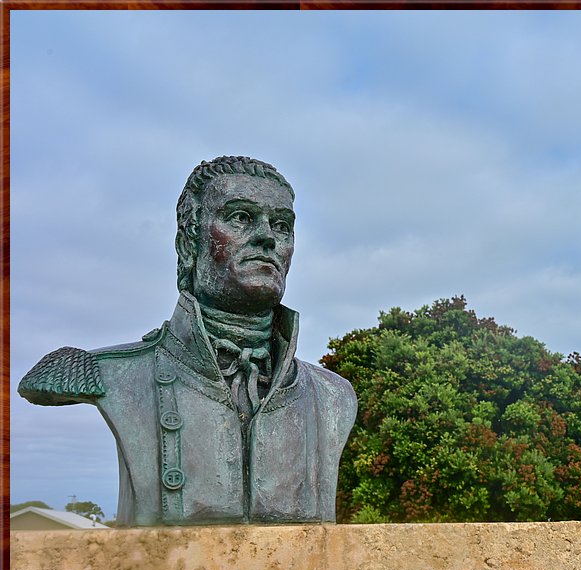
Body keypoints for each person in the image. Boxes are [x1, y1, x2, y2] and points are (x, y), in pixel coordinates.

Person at [19, 156, 358, 526]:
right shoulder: (101, 373)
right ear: (188, 244)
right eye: (241, 218)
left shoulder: (331, 396)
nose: (267, 237)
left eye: (281, 225)